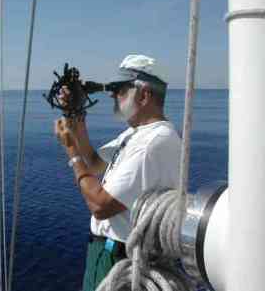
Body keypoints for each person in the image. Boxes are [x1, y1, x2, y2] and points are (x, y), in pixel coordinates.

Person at [54, 54, 181, 291]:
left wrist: (71, 153)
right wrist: (75, 113)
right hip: (106, 254)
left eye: (121, 89)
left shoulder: (153, 142)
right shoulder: (135, 135)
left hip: (120, 260)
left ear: (144, 95)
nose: (113, 95)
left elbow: (101, 206)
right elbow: (92, 162)